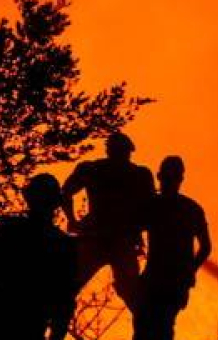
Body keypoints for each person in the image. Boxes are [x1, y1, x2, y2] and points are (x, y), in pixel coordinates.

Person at [61, 132, 156, 309]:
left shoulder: (93, 170)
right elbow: (151, 212)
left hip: (108, 239)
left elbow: (66, 192)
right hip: (108, 240)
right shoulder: (138, 175)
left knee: (70, 288)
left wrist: (74, 221)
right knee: (132, 294)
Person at [133, 156, 212, 340]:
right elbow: (206, 248)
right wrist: (189, 271)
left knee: (149, 328)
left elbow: (134, 227)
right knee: (159, 328)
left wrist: (188, 271)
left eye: (170, 178)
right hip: (167, 282)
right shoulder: (191, 208)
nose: (168, 182)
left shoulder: (154, 205)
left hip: (161, 282)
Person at [0, 173, 78, 340]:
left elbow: (65, 298)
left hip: (9, 322)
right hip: (4, 320)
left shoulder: (6, 231)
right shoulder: (62, 244)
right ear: (57, 203)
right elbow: (65, 300)